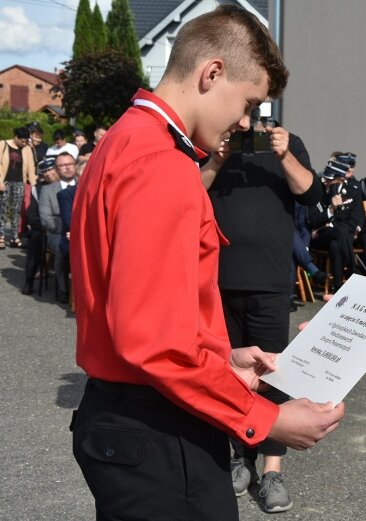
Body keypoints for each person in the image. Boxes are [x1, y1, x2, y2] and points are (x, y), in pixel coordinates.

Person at [69, 6, 344, 521]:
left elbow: (142, 315)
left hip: (131, 412)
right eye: (248, 103)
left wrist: (222, 356)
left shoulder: (124, 140)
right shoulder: (163, 165)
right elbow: (152, 342)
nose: (246, 122)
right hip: (159, 427)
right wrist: (264, 420)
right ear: (211, 73)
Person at [200, 115, 322, 511]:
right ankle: (241, 458)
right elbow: (189, 192)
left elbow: (309, 192)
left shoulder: (287, 142)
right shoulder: (211, 140)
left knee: (272, 373)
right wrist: (216, 160)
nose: (243, 120)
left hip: (270, 279)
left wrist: (285, 154)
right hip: (219, 279)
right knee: (227, 375)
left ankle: (272, 471)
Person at [308, 159, 361, 292]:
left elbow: (352, 219)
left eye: (330, 180)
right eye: (325, 178)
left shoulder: (346, 191)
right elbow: (313, 221)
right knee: (340, 231)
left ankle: (338, 287)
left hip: (337, 235)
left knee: (336, 244)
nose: (326, 182)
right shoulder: (316, 191)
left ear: (340, 181)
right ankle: (353, 271)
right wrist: (331, 209)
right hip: (319, 237)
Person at [38, 152, 76, 303]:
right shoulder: (48, 190)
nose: (67, 168)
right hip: (57, 233)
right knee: (61, 250)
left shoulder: (86, 184)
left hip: (82, 232)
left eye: (70, 164)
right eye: (62, 165)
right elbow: (46, 219)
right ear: (56, 169)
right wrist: (67, 231)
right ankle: (63, 289)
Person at [21, 157, 58, 295]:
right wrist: (45, 226)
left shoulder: (69, 184)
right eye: (45, 171)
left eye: (51, 169)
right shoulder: (37, 189)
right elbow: (32, 215)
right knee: (34, 238)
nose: (48, 173)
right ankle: (29, 280)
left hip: (64, 228)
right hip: (44, 229)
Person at [0, 126, 36, 249]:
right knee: (3, 210)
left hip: (19, 182)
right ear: (16, 137)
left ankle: (15, 237)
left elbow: (31, 167)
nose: (24, 143)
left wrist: (33, 184)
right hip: (4, 181)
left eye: (26, 141)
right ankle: (1, 236)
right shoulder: (3, 144)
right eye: (22, 140)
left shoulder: (26, 149)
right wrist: (0, 181)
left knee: (16, 211)